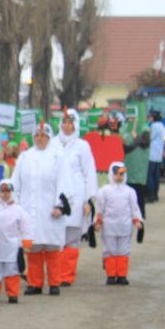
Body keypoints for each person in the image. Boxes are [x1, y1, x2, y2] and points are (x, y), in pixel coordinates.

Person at [12, 122, 73, 296]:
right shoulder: (25, 157)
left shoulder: (57, 156)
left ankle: (54, 283)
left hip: (50, 210)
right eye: (37, 135)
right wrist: (14, 204)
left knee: (52, 247)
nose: (40, 139)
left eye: (43, 136)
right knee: (34, 247)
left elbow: (64, 181)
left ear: (48, 137)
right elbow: (16, 182)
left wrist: (60, 206)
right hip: (28, 210)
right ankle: (35, 283)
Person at [53, 110, 97, 288]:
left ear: (75, 124)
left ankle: (66, 275)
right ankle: (55, 274)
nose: (67, 126)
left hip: (76, 196)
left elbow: (90, 173)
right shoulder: (53, 143)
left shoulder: (82, 146)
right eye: (64, 122)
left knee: (71, 237)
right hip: (56, 196)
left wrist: (88, 200)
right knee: (55, 237)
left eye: (70, 122)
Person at [0, 180, 33, 304]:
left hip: (12, 247)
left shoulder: (19, 210)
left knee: (12, 272)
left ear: (12, 193)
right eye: (3, 192)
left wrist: (27, 243)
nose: (5, 194)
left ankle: (13, 295)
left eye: (8, 191)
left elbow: (26, 228)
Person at [95, 163, 143, 285]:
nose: (119, 177)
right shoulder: (104, 191)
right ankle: (111, 275)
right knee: (109, 250)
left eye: (121, 174)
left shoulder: (130, 191)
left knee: (123, 250)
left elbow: (134, 208)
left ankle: (122, 275)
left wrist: (137, 221)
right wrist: (98, 222)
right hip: (109, 227)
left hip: (125, 227)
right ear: (111, 174)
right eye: (116, 174)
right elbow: (100, 208)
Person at [146, 110, 165, 203]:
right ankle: (156, 194)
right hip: (158, 155)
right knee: (156, 176)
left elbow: (150, 138)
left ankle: (151, 195)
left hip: (151, 154)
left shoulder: (154, 126)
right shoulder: (161, 126)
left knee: (150, 176)